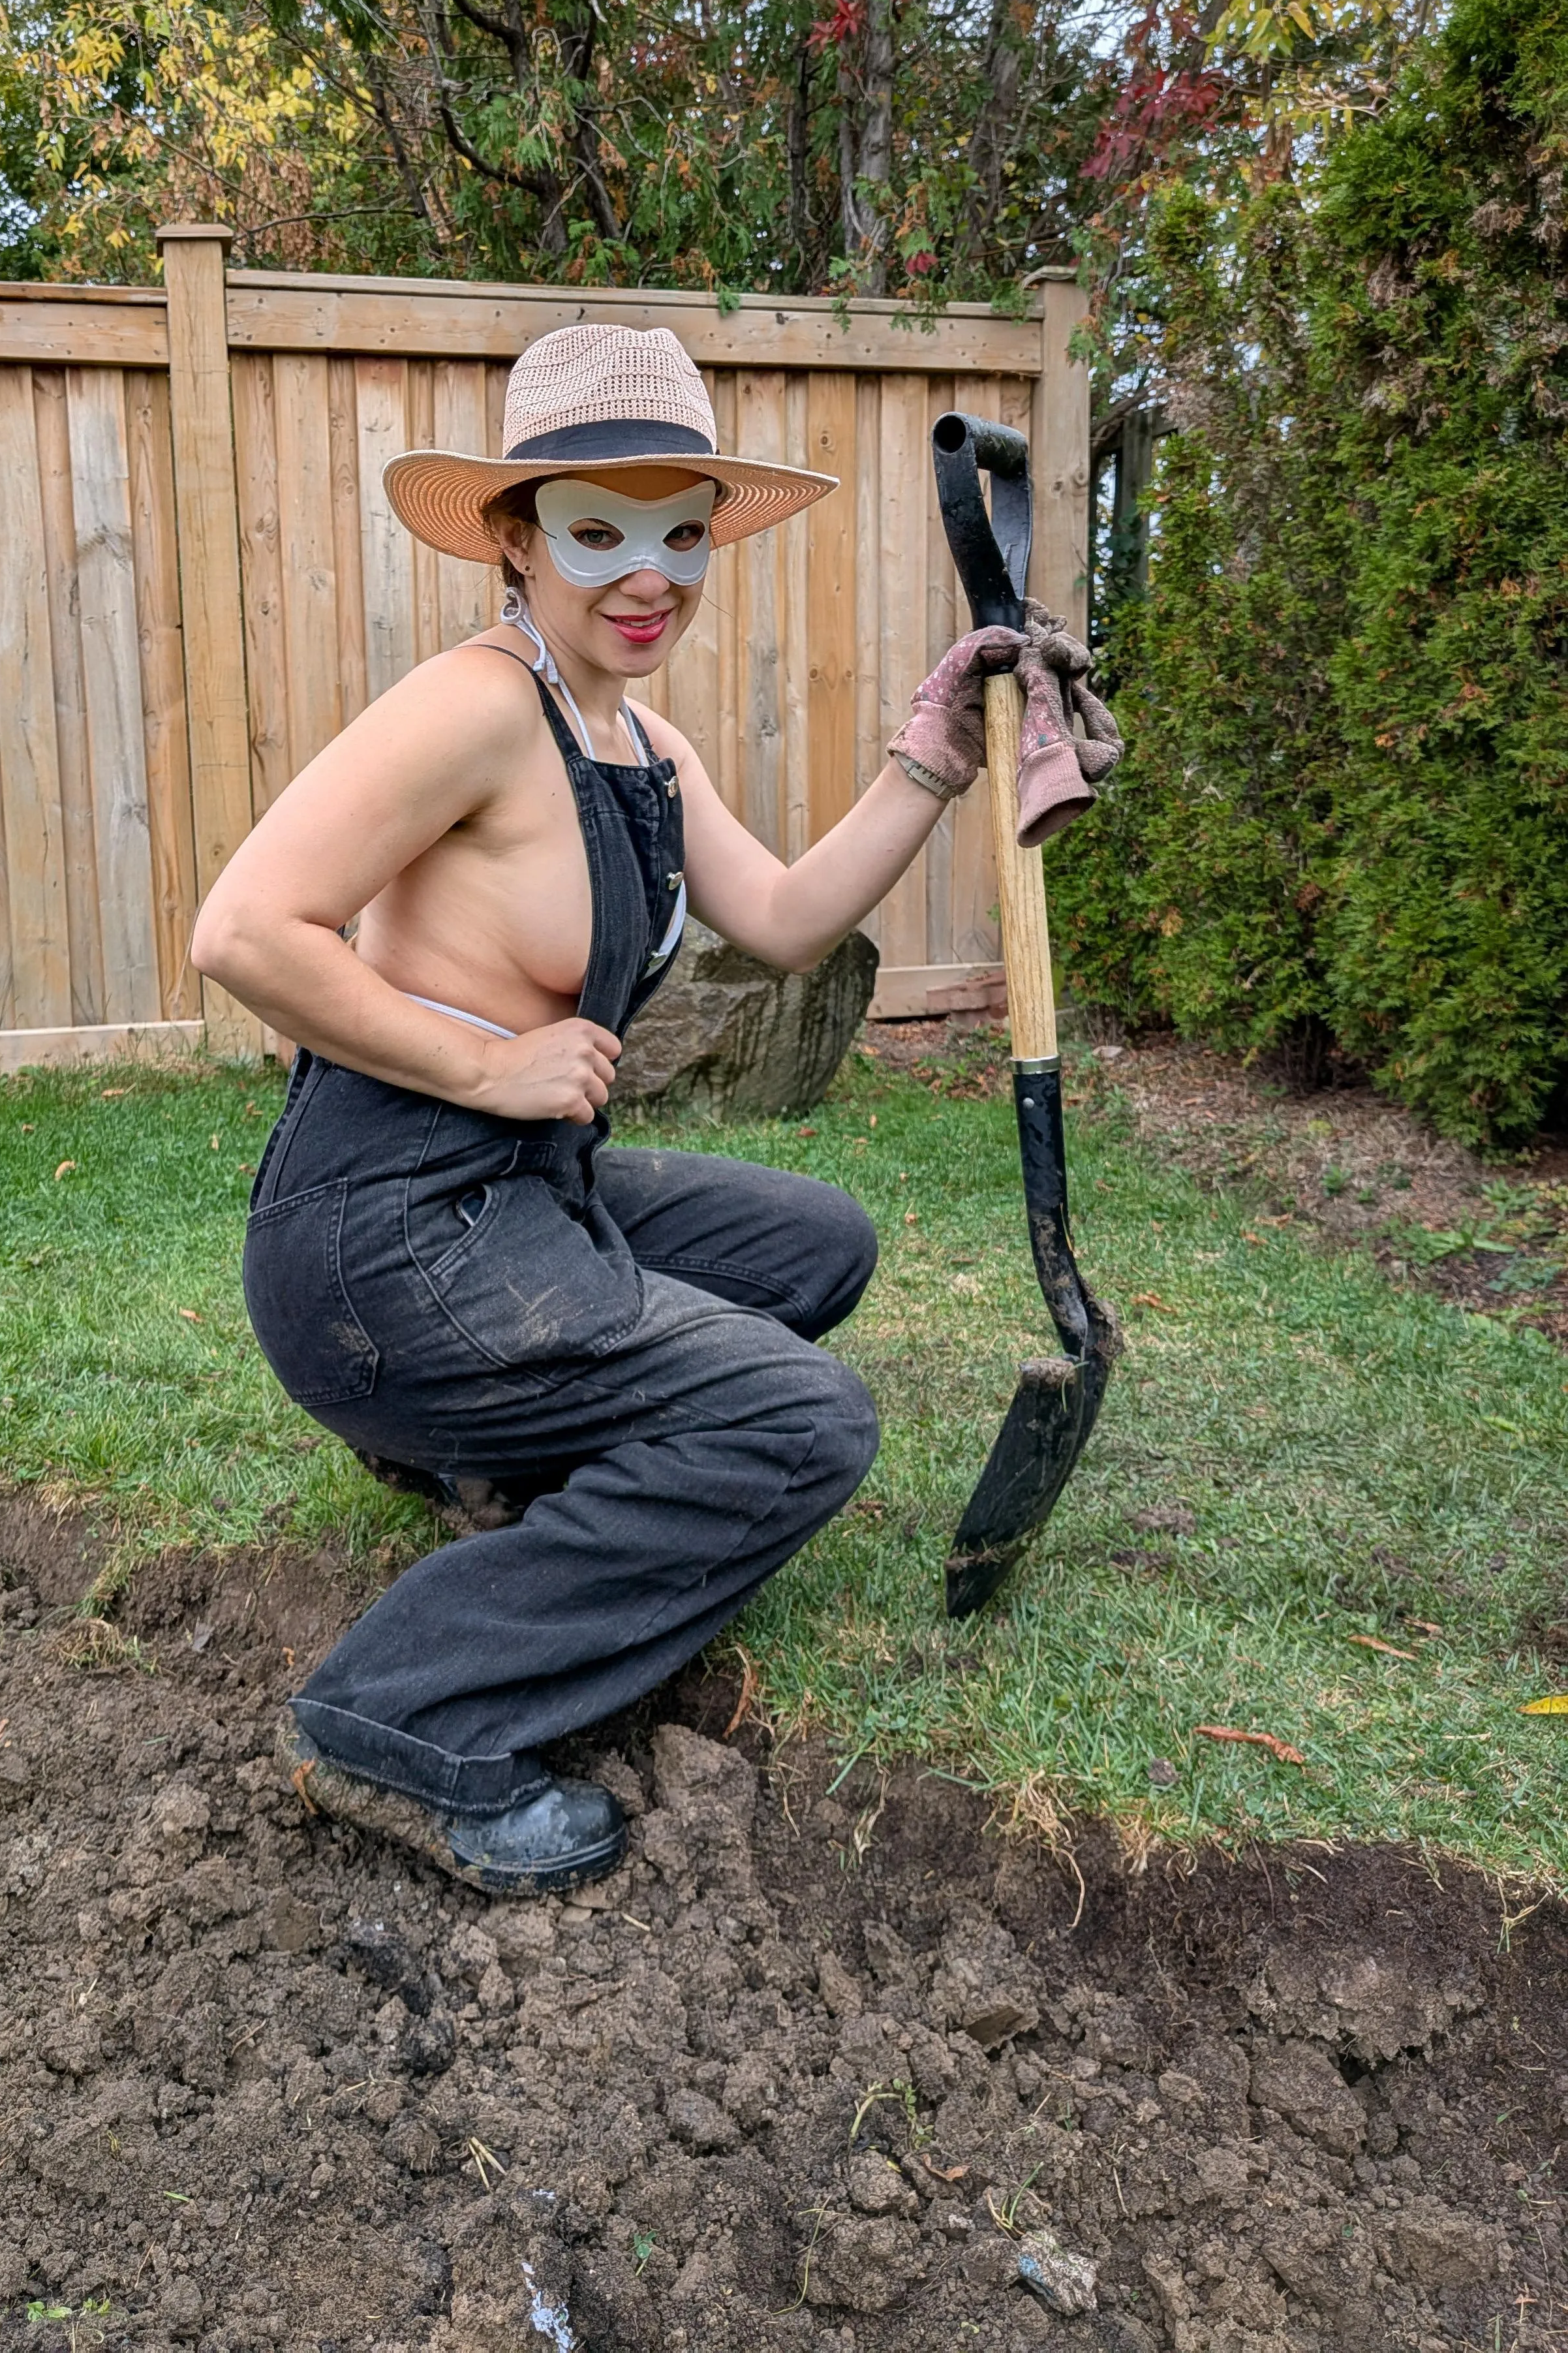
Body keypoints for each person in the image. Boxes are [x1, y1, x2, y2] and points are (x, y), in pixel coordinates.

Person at [191, 322, 1036, 1897]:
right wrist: (486, 1063)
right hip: (383, 1244)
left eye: (681, 531)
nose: (649, 574)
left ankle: (486, 1467)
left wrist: (935, 755)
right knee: (800, 1417)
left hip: (523, 1199)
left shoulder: (640, 740)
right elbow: (242, 929)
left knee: (816, 1247)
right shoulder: (474, 707)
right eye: (599, 530)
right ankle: (392, 1715)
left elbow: (783, 919)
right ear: (514, 538)